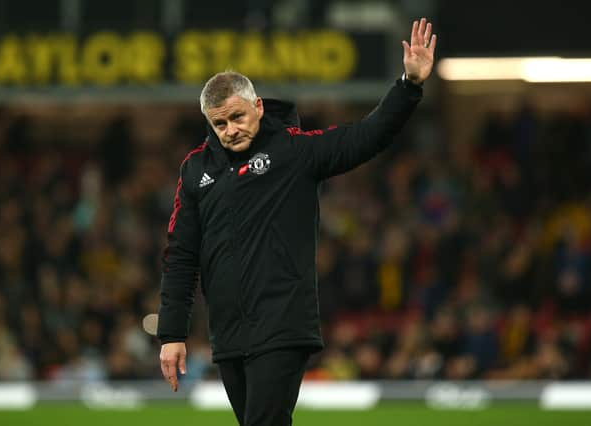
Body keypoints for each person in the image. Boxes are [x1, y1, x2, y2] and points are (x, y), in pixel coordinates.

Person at [157, 18, 437, 425]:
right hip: (229, 331)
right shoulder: (196, 170)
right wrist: (171, 333)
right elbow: (181, 255)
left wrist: (408, 86)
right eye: (219, 124)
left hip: (283, 325)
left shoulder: (294, 152)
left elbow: (366, 137)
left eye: (237, 117)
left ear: (257, 106)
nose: (230, 130)